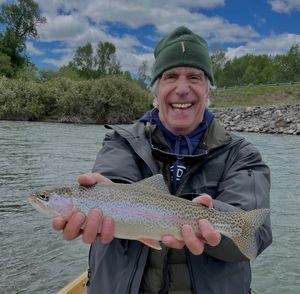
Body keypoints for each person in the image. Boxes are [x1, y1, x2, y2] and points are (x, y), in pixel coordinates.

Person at [52, 26, 272, 294]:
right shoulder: (121, 141)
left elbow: (256, 236)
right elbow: (117, 179)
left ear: (207, 90)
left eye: (194, 76)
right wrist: (108, 192)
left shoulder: (241, 154)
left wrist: (217, 217)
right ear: (156, 91)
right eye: (170, 76)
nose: (182, 89)